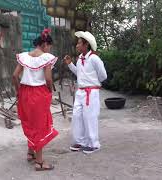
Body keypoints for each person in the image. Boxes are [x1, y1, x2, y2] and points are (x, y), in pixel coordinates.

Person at [12, 28, 58, 171]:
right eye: (49, 46)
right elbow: (48, 79)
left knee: (30, 122)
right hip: (39, 93)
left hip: (25, 91)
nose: (49, 49)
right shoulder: (46, 58)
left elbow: (14, 76)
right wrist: (50, 90)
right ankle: (39, 162)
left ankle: (30, 153)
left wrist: (18, 91)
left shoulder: (25, 56)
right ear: (45, 44)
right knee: (39, 125)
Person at [64, 31, 107, 154]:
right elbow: (79, 73)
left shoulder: (94, 59)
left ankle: (93, 143)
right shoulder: (80, 59)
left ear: (86, 44)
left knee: (90, 117)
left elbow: (103, 76)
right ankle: (80, 141)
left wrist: (93, 83)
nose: (77, 46)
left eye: (79, 43)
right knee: (77, 116)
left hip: (90, 92)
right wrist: (70, 64)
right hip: (80, 92)